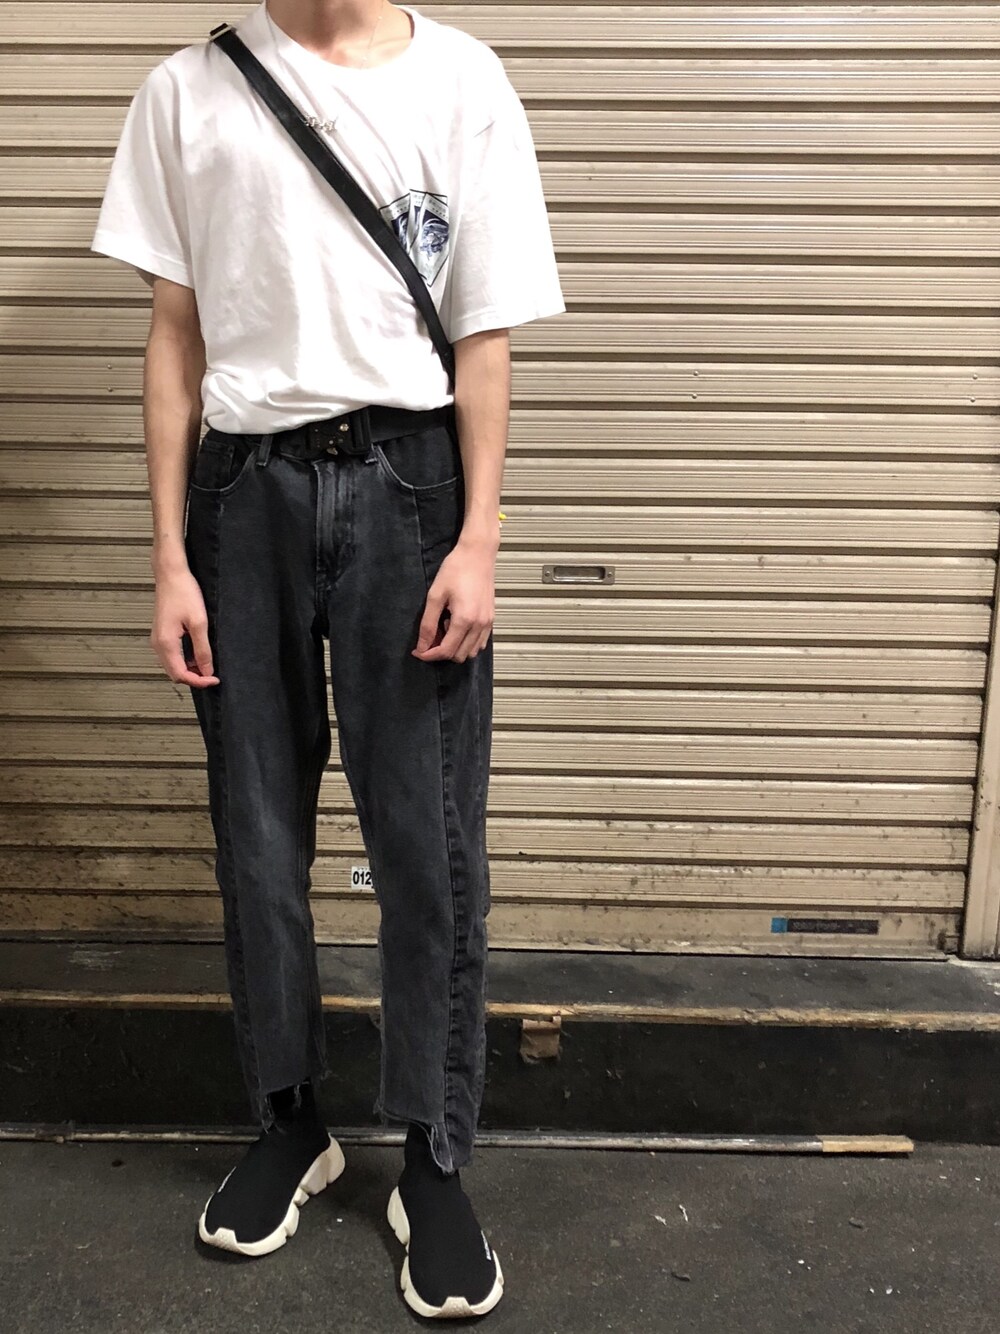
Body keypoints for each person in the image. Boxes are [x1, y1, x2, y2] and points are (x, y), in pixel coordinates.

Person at [90, 0, 564, 1318]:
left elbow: (484, 334)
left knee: (429, 845)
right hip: (240, 498)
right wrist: (168, 556)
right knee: (258, 839)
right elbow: (174, 334)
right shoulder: (186, 93)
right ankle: (291, 1123)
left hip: (411, 486)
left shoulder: (464, 82)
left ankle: (434, 1156)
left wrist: (480, 537)